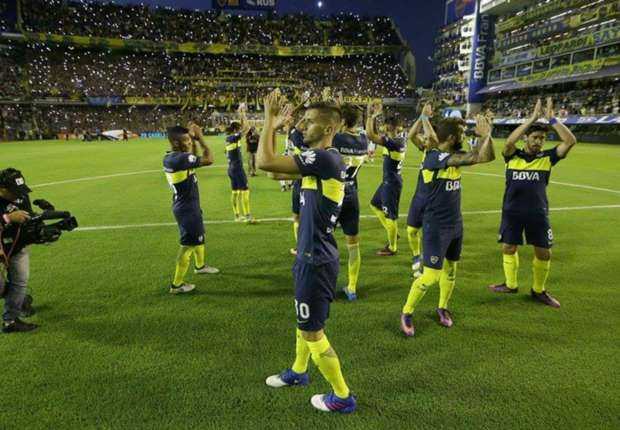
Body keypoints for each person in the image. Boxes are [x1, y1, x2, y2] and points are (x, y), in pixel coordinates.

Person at [259, 90, 356, 414]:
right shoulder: (318, 162)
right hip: (311, 255)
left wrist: (268, 121)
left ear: (328, 129)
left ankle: (342, 396)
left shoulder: (325, 158)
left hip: (316, 260)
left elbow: (263, 162)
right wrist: (275, 128)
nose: (303, 124)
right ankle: (299, 372)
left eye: (310, 121)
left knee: (313, 332)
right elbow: (274, 172)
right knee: (304, 322)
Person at [400, 115, 495, 336]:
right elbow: (474, 158)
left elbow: (485, 157)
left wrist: (487, 136)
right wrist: (481, 139)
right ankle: (406, 311)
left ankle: (442, 307)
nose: (465, 136)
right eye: (462, 133)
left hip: (455, 224)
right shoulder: (433, 157)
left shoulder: (452, 155)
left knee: (451, 270)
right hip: (436, 226)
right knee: (431, 276)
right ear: (452, 137)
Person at [488, 98, 577, 308]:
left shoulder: (548, 158)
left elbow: (570, 141)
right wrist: (532, 119)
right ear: (526, 137)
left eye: (542, 139)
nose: (539, 142)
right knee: (509, 248)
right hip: (512, 212)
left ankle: (539, 290)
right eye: (535, 137)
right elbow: (509, 142)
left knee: (543, 252)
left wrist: (552, 118)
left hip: (538, 213)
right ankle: (510, 284)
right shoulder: (512, 156)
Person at [163, 124, 219, 295]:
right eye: (186, 140)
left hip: (188, 206)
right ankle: (176, 285)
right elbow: (208, 159)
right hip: (186, 209)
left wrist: (192, 139)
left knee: (199, 236)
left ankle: (200, 266)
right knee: (187, 245)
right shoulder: (178, 159)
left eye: (189, 140)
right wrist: (200, 138)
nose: (189, 143)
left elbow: (192, 156)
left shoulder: (174, 157)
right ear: (175, 142)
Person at [332, 104, 368, 301]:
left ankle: (324, 283)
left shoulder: (336, 138)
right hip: (351, 194)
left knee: (323, 240)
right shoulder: (363, 140)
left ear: (343, 122)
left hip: (332, 194)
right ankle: (352, 287)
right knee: (353, 243)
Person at [366, 101, 406, 256]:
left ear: (395, 128)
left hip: (392, 184)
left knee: (391, 216)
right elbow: (375, 134)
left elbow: (371, 135)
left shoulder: (395, 142)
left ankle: (392, 247)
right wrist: (374, 118)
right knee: (374, 204)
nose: (386, 128)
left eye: (389, 127)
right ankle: (393, 232)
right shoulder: (396, 140)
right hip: (388, 181)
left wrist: (370, 116)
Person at [0, 168, 36, 333]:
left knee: (20, 281)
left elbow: (28, 217)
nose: (18, 195)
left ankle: (11, 321)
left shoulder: (21, 195)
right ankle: (19, 300)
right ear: (2, 189)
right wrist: (8, 218)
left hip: (16, 245)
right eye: (14, 191)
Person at [405, 103, 438, 277]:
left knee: (429, 234)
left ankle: (426, 260)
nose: (424, 140)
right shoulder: (426, 150)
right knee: (411, 230)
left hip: (434, 200)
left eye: (425, 138)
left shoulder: (440, 152)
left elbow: (432, 137)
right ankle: (416, 256)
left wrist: (426, 117)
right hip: (419, 197)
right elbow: (411, 135)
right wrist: (421, 117)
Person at [225, 104, 256, 224]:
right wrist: (242, 113)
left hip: (231, 169)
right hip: (237, 169)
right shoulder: (232, 137)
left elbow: (244, 127)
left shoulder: (228, 138)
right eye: (238, 129)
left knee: (235, 192)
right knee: (245, 191)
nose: (239, 131)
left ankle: (237, 216)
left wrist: (241, 115)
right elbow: (247, 128)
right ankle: (247, 216)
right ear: (234, 130)